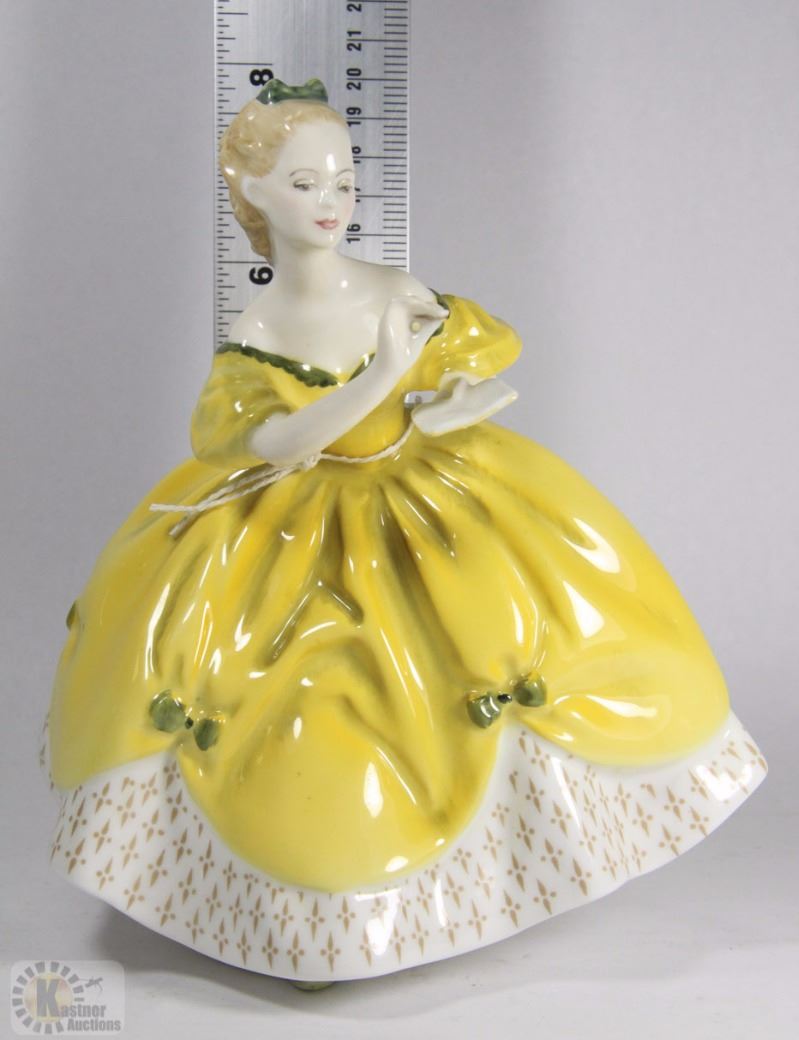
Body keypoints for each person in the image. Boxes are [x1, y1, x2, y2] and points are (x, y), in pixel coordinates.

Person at [42, 77, 767, 986]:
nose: (331, 202)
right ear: (252, 190)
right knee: (290, 685)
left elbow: (475, 364)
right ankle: (310, 914)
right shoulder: (259, 326)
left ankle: (497, 872)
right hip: (293, 522)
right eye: (304, 183)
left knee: (501, 628)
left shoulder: (390, 287)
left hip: (422, 494)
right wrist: (382, 372)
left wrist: (452, 400)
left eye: (343, 182)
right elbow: (278, 443)